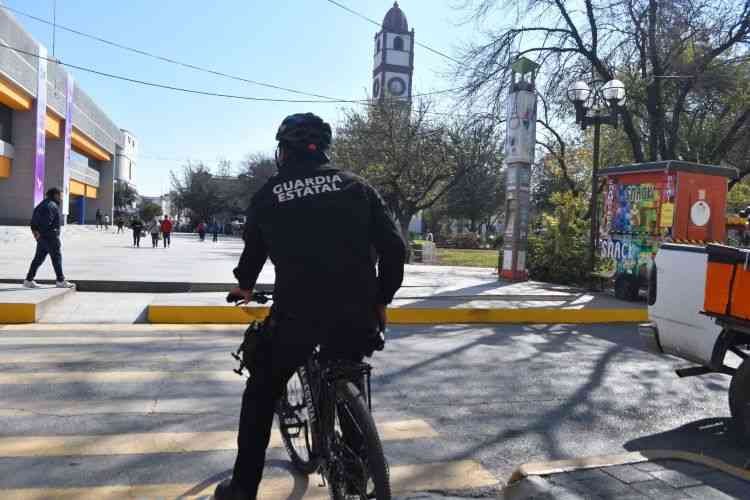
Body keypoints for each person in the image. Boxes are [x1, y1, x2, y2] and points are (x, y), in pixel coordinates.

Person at [215, 113, 406, 500]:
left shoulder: (270, 194)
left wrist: (245, 285)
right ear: (325, 149)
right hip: (356, 313)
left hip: (296, 315)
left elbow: (254, 250)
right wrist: (382, 298)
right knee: (348, 373)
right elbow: (394, 249)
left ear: (283, 151)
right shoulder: (357, 187)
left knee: (260, 392)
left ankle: (243, 489)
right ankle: (357, 476)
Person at [23, 187, 75, 288]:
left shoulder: (40, 205)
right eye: (60, 195)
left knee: (38, 259)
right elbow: (46, 223)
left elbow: (33, 223)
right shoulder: (51, 205)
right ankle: (60, 280)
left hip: (42, 238)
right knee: (56, 258)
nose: (61, 198)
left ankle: (28, 280)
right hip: (50, 237)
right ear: (55, 195)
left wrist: (37, 235)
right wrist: (53, 234)